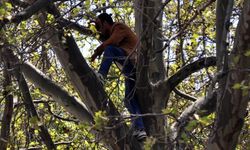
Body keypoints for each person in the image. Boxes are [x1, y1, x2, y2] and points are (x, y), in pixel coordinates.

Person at [90, 13, 146, 141]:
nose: (99, 30)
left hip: (133, 63)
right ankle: (140, 129)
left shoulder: (118, 27)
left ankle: (101, 77)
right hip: (130, 70)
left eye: (99, 26)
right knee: (129, 99)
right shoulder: (110, 33)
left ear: (105, 23)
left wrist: (98, 50)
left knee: (109, 49)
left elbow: (112, 42)